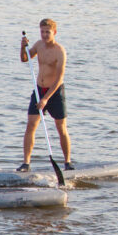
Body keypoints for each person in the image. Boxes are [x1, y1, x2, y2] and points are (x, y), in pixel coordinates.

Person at [19, 18, 73, 171]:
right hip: (39, 90)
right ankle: (26, 163)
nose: (44, 35)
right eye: (42, 32)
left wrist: (45, 99)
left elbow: (59, 78)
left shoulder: (59, 51)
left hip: (54, 92)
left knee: (61, 127)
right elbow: (24, 59)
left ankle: (67, 162)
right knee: (30, 125)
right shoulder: (38, 45)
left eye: (47, 32)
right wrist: (22, 47)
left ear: (54, 32)